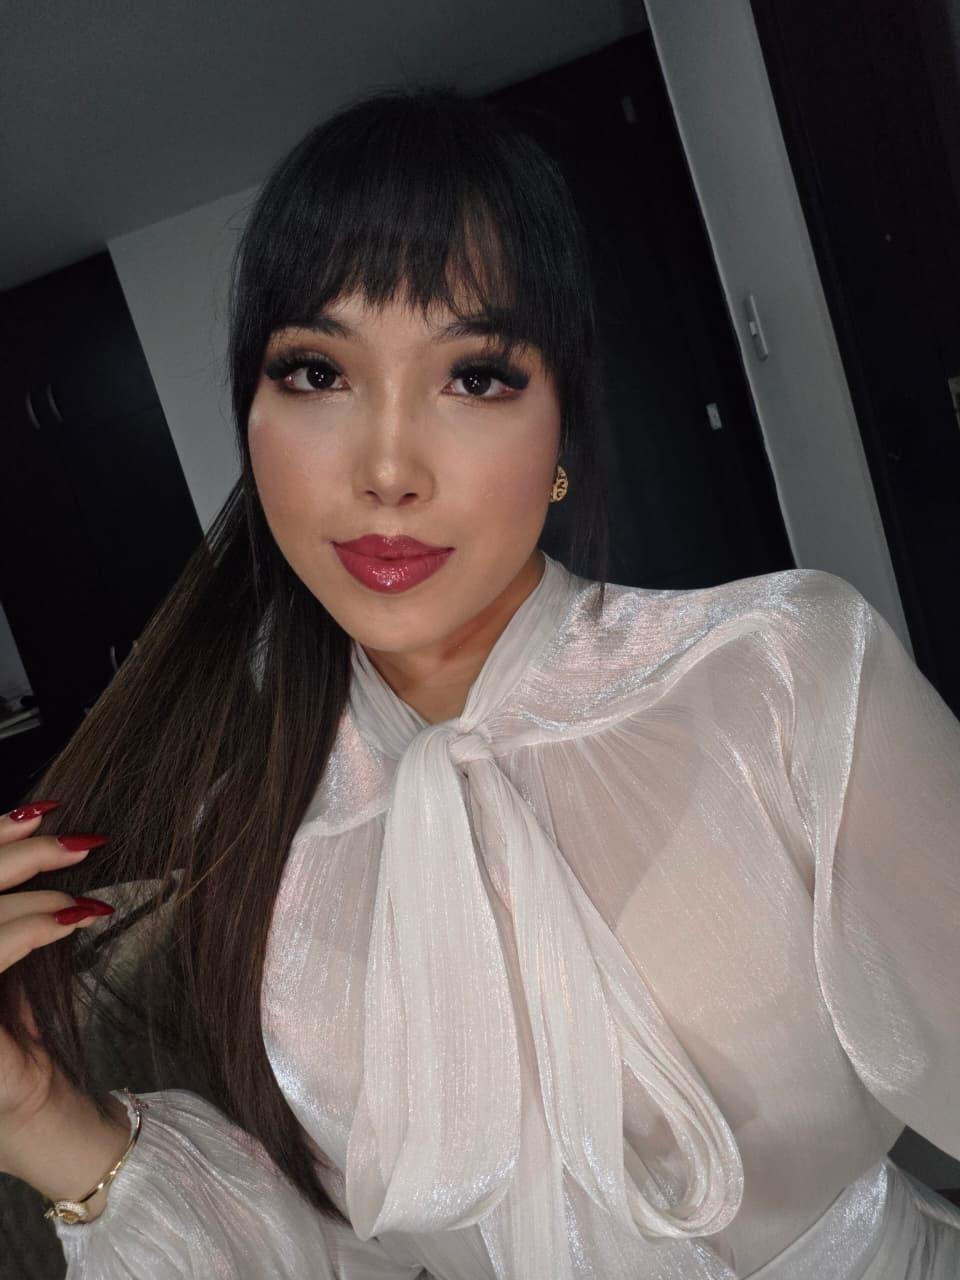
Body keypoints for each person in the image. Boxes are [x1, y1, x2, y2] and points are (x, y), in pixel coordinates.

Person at [0, 84, 958, 1280]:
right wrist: (38, 1114)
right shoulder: (259, 845)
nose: (387, 467)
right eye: (316, 371)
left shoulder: (783, 675)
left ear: (563, 433)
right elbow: (346, 1258)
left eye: (478, 376)